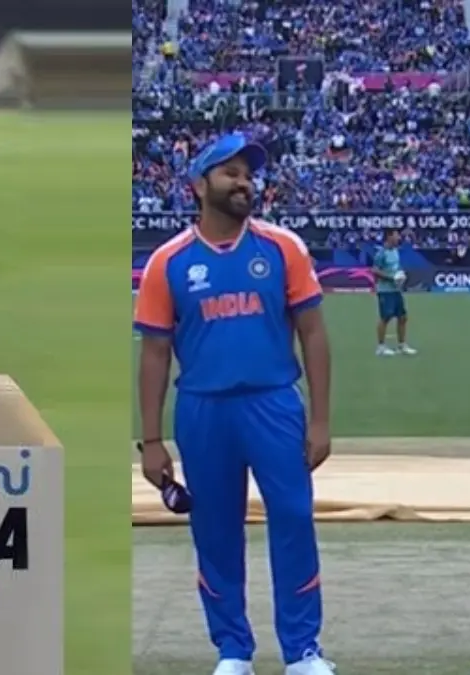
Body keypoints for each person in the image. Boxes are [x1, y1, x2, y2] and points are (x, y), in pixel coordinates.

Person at [134, 133, 335, 675]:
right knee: (215, 529)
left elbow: (313, 334)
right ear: (199, 185)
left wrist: (319, 419)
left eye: (248, 174)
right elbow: (155, 354)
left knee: (293, 519)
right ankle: (232, 650)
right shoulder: (168, 262)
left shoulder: (281, 248)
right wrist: (151, 442)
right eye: (231, 173)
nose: (244, 182)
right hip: (203, 410)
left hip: (273, 404)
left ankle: (302, 651)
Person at [371, 228, 417, 356]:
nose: (399, 238)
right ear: (389, 237)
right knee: (385, 318)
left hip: (396, 290)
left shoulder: (396, 251)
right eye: (396, 235)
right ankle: (380, 347)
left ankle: (402, 345)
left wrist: (400, 275)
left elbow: (396, 268)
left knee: (403, 317)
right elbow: (374, 270)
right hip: (385, 291)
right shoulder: (381, 253)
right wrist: (391, 278)